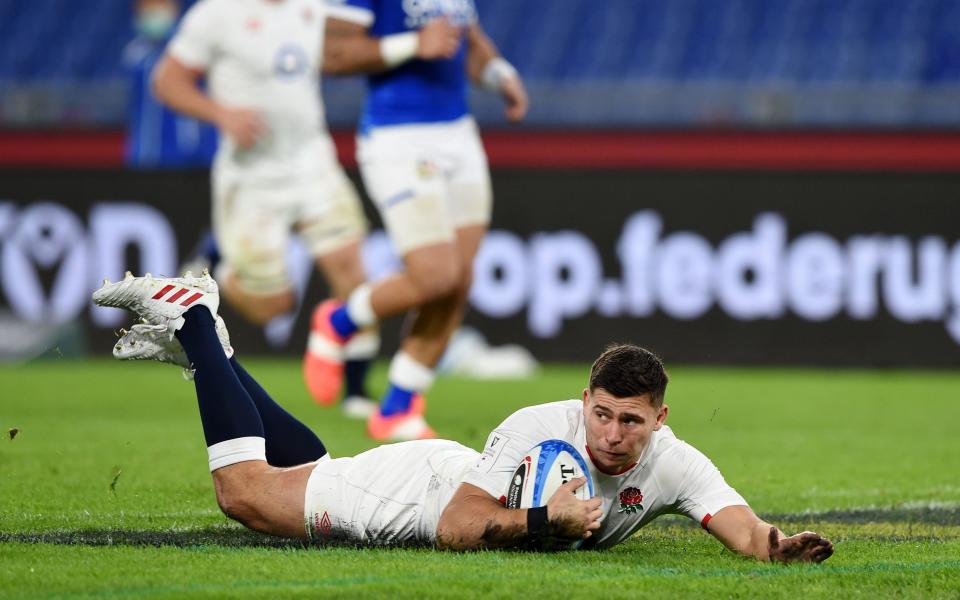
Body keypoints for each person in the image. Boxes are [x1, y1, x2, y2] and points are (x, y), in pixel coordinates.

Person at [92, 272, 834, 561]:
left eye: (630, 423)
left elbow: (743, 529)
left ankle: (214, 354)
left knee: (307, 466)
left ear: (659, 419)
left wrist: (781, 546)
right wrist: (551, 522)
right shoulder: (538, 425)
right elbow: (454, 527)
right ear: (585, 403)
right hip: (418, 495)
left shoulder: (673, 460)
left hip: (435, 479)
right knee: (247, 496)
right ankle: (194, 325)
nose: (612, 435)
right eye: (602, 414)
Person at [302, 0, 529, 441]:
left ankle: (398, 405)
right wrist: (412, 44)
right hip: (397, 139)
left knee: (459, 279)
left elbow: (469, 36)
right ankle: (340, 321)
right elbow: (330, 55)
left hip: (458, 136)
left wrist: (500, 75)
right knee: (435, 274)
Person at [150, 0, 379, 416]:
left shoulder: (314, 7)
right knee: (274, 306)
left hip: (313, 161)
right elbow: (167, 81)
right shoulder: (215, 13)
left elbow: (366, 31)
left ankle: (358, 392)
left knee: (353, 272)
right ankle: (218, 265)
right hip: (251, 176)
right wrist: (219, 113)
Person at [123, 0, 218, 168]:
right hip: (145, 156)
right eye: (147, 6)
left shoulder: (191, 50)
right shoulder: (135, 53)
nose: (154, 11)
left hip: (190, 155)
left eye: (159, 5)